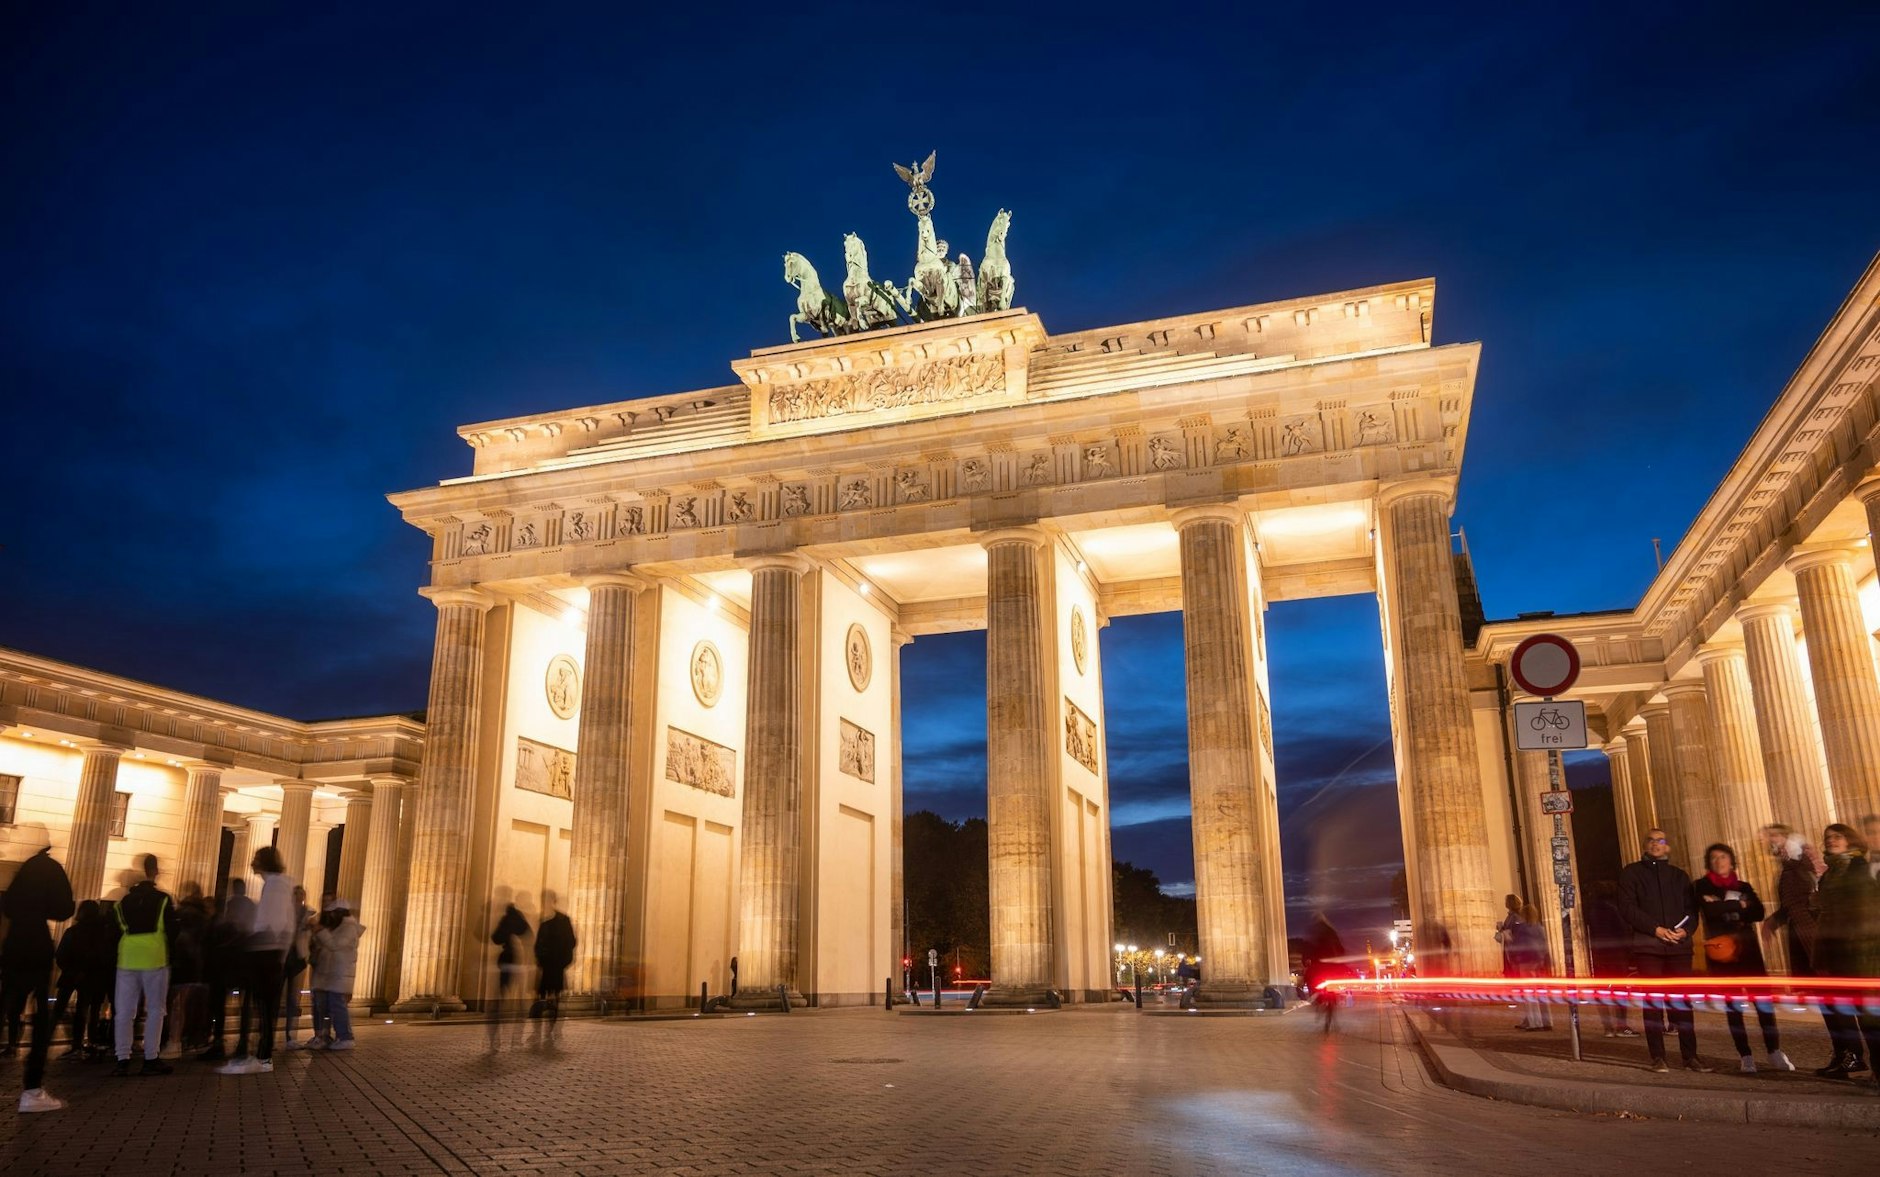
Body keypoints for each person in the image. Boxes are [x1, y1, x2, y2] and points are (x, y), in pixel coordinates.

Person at [1692, 842, 1792, 1073]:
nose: (1719, 861)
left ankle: (1774, 1051)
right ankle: (1745, 1055)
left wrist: (1724, 905)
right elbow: (1709, 912)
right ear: (1710, 862)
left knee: (1763, 1004)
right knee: (1733, 1008)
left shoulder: (1744, 885)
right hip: (1722, 955)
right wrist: (1739, 904)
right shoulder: (1702, 885)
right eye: (1714, 858)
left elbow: (1758, 912)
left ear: (1731, 861)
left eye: (1723, 857)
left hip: (1749, 952)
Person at [1617, 828, 1708, 1073]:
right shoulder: (1632, 873)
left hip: (1678, 947)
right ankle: (1658, 1056)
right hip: (1649, 946)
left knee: (1682, 1004)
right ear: (1644, 845)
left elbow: (1692, 910)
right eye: (1652, 840)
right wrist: (1654, 929)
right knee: (1653, 1004)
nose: (1656, 844)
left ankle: (1690, 1056)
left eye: (1661, 841)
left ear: (1667, 846)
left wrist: (1685, 931)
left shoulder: (1679, 876)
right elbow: (1627, 907)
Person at [2, 825, 76, 1112]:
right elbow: (64, 909)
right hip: (36, 943)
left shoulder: (19, 871)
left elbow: (8, 907)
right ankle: (32, 1089)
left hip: (13, 942)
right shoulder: (47, 867)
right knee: (42, 1015)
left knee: (6, 1002)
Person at [1812, 822, 1880, 1085]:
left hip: (1861, 953)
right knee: (1847, 1011)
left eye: (1837, 837)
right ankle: (1853, 1059)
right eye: (1828, 837)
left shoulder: (1860, 868)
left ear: (1850, 841)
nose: (1831, 841)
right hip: (1836, 952)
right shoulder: (1830, 874)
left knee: (1870, 1016)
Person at [219, 846, 295, 1075]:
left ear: (264, 862)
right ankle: (260, 1055)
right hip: (272, 951)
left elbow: (272, 921)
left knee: (258, 1003)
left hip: (264, 951)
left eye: (256, 859)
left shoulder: (274, 885)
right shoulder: (280, 885)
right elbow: (285, 923)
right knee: (263, 1005)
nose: (252, 862)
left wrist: (249, 934)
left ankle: (258, 1056)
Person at [112, 853, 177, 1076]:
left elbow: (114, 930)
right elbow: (172, 930)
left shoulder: (123, 902)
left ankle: (122, 1058)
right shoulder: (163, 899)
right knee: (156, 1010)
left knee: (124, 1011)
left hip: (127, 957)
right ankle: (150, 1057)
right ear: (156, 871)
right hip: (155, 958)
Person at [51, 901, 115, 1061]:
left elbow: (61, 955)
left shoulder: (73, 932)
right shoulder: (103, 934)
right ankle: (90, 1042)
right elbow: (104, 956)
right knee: (90, 1011)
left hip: (72, 975)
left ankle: (73, 1044)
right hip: (93, 977)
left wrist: (71, 969)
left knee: (61, 1009)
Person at [199, 880, 252, 1062]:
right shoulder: (250, 908)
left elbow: (214, 937)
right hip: (242, 964)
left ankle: (219, 1042)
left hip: (225, 964)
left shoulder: (226, 911)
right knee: (243, 1005)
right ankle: (242, 1042)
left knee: (219, 1005)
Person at [1584, 881, 1637, 1038]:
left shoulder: (1592, 911)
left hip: (1600, 955)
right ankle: (1621, 1025)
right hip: (1616, 955)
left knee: (1602, 992)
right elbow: (1622, 932)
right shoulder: (1614, 909)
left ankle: (1607, 1027)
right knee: (1619, 992)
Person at [308, 901, 362, 1050]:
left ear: (340, 912)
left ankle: (345, 1037)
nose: (330, 916)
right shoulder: (339, 927)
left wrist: (320, 931)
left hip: (340, 973)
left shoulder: (349, 927)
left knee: (337, 1006)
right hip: (332, 973)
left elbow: (335, 945)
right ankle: (330, 1036)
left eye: (333, 913)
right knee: (328, 1006)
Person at [487, 892, 531, 1051]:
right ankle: (516, 1039)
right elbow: (528, 935)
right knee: (518, 1001)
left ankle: (495, 1040)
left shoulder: (506, 919)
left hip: (506, 962)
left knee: (501, 998)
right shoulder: (520, 919)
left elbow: (495, 938)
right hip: (518, 963)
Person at [532, 892, 575, 1043]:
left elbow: (571, 942)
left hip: (556, 966)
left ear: (553, 901)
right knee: (540, 998)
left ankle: (551, 1031)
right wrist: (540, 960)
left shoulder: (563, 921)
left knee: (555, 999)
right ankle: (537, 1031)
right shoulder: (543, 922)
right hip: (546, 965)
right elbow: (537, 945)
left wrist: (563, 962)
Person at [280, 886, 314, 1049]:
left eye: (301, 894)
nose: (299, 896)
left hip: (299, 958)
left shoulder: (310, 914)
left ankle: (290, 1037)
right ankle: (270, 1037)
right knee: (279, 997)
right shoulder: (284, 912)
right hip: (284, 957)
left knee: (293, 1000)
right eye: (296, 893)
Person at [1513, 903, 1553, 1031]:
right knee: (1541, 992)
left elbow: (1518, 946)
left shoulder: (1522, 929)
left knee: (1529, 993)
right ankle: (1547, 1021)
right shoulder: (1539, 927)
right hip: (1539, 962)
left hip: (1526, 961)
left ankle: (1534, 1022)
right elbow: (1544, 945)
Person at [1494, 895, 1523, 978]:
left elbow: (1515, 932)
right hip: (1508, 949)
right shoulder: (1510, 916)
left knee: (1514, 972)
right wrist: (1501, 928)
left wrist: (1503, 932)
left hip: (1513, 950)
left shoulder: (1515, 917)